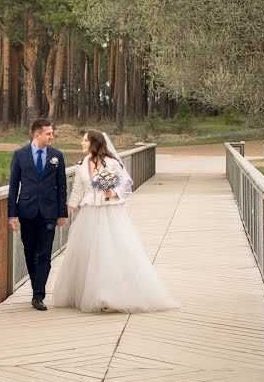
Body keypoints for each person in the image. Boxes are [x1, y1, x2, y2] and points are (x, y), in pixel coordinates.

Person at [53, 129, 178, 313]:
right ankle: (91, 293)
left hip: (109, 214)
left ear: (94, 143)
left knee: (108, 254)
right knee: (88, 255)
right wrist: (65, 212)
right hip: (88, 215)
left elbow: (124, 184)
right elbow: (77, 192)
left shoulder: (111, 164)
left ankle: (108, 295)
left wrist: (113, 192)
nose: (81, 143)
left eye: (85, 141)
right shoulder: (81, 165)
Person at [7, 118, 68, 311]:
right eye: (48, 133)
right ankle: (36, 286)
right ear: (36, 135)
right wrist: (12, 215)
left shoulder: (57, 155)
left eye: (52, 133)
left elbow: (62, 187)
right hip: (27, 211)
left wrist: (62, 213)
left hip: (49, 213)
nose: (52, 136)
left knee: (44, 253)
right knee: (30, 252)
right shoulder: (19, 155)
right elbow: (13, 187)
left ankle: (38, 295)